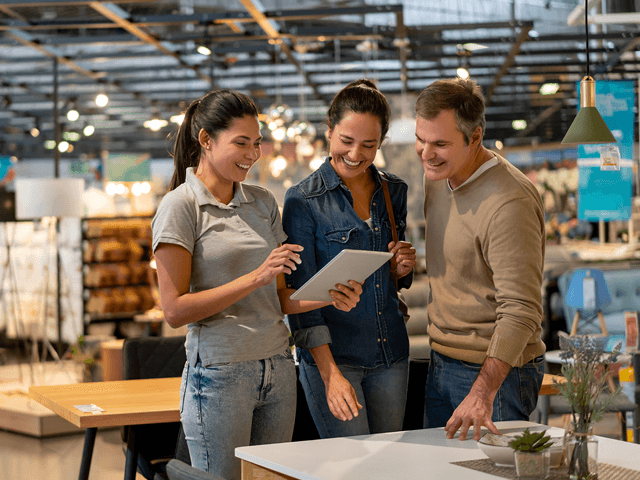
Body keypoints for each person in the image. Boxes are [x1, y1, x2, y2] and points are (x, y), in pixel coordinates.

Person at [151, 89, 362, 479]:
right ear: (206, 140)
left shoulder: (263, 201)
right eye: (241, 143)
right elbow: (175, 311)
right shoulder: (180, 207)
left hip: (279, 369)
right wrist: (256, 277)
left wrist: (327, 296)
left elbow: (279, 298)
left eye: (257, 142)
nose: (253, 154)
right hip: (218, 375)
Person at [282, 79, 417, 439]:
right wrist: (329, 374)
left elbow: (391, 278)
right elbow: (301, 301)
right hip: (335, 359)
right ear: (328, 132)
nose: (356, 154)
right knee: (350, 468)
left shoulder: (394, 191)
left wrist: (400, 269)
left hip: (391, 354)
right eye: (346, 141)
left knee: (389, 466)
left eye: (368, 144)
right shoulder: (303, 201)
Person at [414, 77, 546, 441]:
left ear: (475, 138)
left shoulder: (509, 202)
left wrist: (482, 392)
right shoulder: (439, 176)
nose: (426, 153)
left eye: (440, 143)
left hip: (494, 375)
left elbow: (521, 309)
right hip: (440, 360)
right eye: (420, 140)